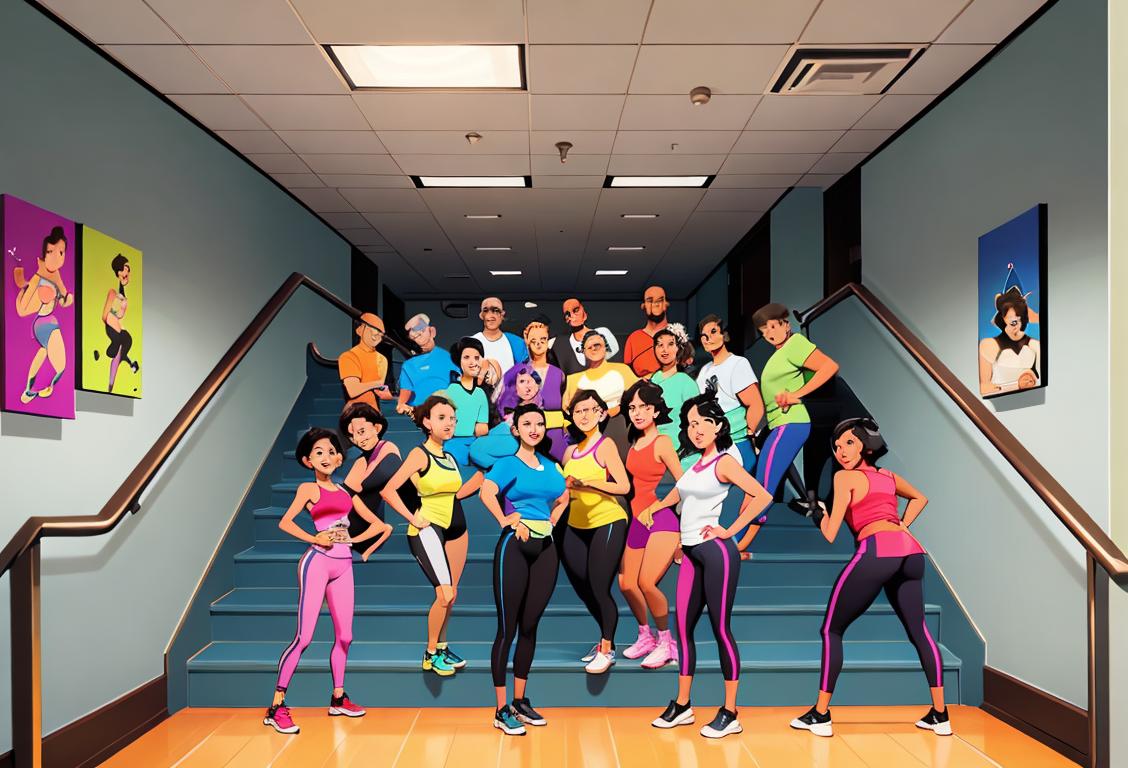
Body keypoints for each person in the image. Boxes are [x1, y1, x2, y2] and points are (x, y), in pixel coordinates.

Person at [790, 417, 950, 738]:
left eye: (849, 442)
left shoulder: (845, 478)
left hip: (877, 550)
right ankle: (940, 714)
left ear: (865, 442)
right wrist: (903, 524)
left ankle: (820, 715)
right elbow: (920, 498)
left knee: (831, 629)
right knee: (919, 631)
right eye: (836, 447)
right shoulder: (888, 476)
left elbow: (831, 533)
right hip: (911, 553)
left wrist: (816, 511)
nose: (841, 451)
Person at [644, 395, 772, 739]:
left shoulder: (725, 462)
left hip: (716, 552)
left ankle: (730, 712)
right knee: (683, 629)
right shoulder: (695, 465)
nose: (695, 429)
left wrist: (730, 530)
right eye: (690, 423)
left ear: (718, 426)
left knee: (720, 629)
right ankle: (683, 705)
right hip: (690, 553)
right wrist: (655, 508)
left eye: (702, 422)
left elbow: (763, 495)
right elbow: (680, 495)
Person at [264, 428, 392, 735]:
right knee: (304, 638)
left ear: (339, 457)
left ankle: (338, 697)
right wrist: (315, 537)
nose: (327, 456)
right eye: (319, 452)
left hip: (344, 564)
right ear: (308, 461)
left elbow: (380, 525)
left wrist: (359, 541)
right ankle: (276, 706)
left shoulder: (347, 493)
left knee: (345, 637)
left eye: (332, 451)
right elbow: (285, 521)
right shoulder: (308, 490)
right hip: (317, 563)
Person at [479, 403, 570, 736]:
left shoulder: (550, 466)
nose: (534, 427)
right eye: (527, 423)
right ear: (515, 429)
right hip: (514, 546)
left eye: (539, 423)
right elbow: (485, 492)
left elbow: (563, 498)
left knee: (530, 626)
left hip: (545, 547)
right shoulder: (507, 465)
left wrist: (551, 521)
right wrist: (505, 519)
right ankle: (501, 709)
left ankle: (519, 701)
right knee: (508, 627)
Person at [381, 395, 483, 677]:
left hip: (456, 526)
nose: (449, 423)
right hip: (429, 528)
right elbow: (389, 490)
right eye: (442, 418)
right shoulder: (419, 454)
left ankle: (442, 645)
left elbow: (451, 493)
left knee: (453, 595)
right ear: (426, 422)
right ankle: (430, 653)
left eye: (452, 418)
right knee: (444, 594)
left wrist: (476, 483)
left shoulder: (449, 456)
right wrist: (413, 517)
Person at [735, 303, 839, 550]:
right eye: (763, 331)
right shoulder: (780, 352)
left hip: (791, 423)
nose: (769, 333)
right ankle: (736, 540)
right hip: (780, 424)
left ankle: (739, 545)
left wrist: (797, 395)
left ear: (786, 324)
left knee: (762, 488)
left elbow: (829, 367)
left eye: (773, 326)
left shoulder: (797, 344)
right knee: (757, 485)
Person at [560, 389, 631, 675]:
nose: (584, 415)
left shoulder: (605, 445)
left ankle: (607, 647)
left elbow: (623, 486)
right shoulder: (569, 451)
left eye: (590, 409)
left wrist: (586, 483)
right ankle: (603, 634)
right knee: (582, 585)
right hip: (576, 525)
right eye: (579, 411)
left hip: (608, 519)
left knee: (600, 586)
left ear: (602, 413)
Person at [617, 380, 683, 670]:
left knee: (646, 582)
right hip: (638, 521)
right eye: (633, 407)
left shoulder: (663, 442)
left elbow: (685, 484)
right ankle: (646, 635)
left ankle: (667, 642)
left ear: (656, 411)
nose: (638, 412)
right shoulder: (634, 444)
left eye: (644, 407)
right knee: (626, 584)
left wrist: (656, 507)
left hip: (662, 521)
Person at [339, 402, 419, 545]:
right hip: (352, 527)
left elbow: (392, 491)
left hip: (365, 530)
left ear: (377, 428)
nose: (358, 440)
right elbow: (347, 494)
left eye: (361, 432)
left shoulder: (388, 450)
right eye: (352, 437)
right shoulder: (362, 459)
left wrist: (414, 519)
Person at [695, 315, 762, 471]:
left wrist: (749, 434)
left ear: (724, 335)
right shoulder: (705, 370)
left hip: (737, 441)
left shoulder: (737, 363)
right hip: (713, 443)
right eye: (704, 336)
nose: (708, 338)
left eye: (713, 332)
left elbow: (755, 403)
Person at [14, 226, 73, 403]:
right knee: (61, 365)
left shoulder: (56, 276)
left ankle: (28, 390)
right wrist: (36, 294)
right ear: (44, 255)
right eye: (51, 252)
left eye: (61, 252)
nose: (56, 257)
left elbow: (64, 299)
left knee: (43, 353)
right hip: (43, 324)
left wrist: (67, 299)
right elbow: (23, 309)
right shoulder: (38, 278)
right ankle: (46, 387)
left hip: (51, 322)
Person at [498, 320, 567, 460]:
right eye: (534, 340)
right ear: (527, 341)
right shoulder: (517, 372)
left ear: (548, 341)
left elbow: (564, 409)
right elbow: (504, 408)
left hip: (556, 442)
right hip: (526, 442)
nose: (539, 343)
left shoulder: (559, 374)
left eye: (543, 339)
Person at [563, 330, 638, 458]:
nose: (593, 349)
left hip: (619, 431)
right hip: (586, 438)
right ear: (584, 351)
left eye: (597, 345)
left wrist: (617, 409)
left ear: (605, 347)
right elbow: (566, 412)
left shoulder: (622, 370)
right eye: (589, 346)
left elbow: (639, 397)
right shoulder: (573, 379)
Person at [471, 364, 545, 472]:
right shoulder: (508, 411)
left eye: (530, 381)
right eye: (522, 381)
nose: (527, 387)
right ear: (514, 386)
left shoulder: (538, 411)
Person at [978, 286, 1041, 396]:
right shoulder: (988, 345)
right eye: (1010, 317)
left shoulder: (1035, 346)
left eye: (1018, 316)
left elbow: (1042, 379)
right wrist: (1017, 385)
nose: (1014, 321)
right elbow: (984, 387)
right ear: (1003, 318)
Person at [396, 313, 458, 416]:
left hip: (445, 413)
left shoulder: (449, 358)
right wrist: (401, 405)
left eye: (421, 331)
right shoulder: (408, 365)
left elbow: (460, 385)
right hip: (420, 415)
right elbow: (405, 393)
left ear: (432, 331)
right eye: (414, 336)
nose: (418, 336)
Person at [648, 324, 698, 449]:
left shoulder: (686, 382)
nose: (664, 350)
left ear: (678, 348)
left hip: (678, 448)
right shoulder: (650, 381)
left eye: (670, 344)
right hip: (651, 446)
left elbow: (696, 420)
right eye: (660, 345)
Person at [95, 254, 140, 392]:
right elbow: (104, 315)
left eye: (128, 270)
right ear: (118, 272)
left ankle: (111, 385)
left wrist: (122, 309)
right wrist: (112, 318)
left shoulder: (121, 294)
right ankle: (112, 360)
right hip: (112, 327)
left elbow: (120, 315)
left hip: (117, 327)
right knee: (119, 347)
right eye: (124, 269)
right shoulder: (113, 292)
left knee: (122, 349)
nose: (127, 273)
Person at [444, 337, 490, 465]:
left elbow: (482, 427)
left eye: (476, 358)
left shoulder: (480, 394)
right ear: (459, 361)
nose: (472, 362)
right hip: (453, 442)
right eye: (466, 357)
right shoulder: (451, 390)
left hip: (476, 442)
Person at [548, 297, 620, 376]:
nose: (572, 315)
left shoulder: (602, 333)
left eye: (576, 310)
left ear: (584, 313)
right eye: (567, 314)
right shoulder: (557, 342)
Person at [338, 312, 392, 409]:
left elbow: (380, 390)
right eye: (371, 328)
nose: (376, 334)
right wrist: (377, 384)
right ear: (360, 330)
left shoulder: (382, 359)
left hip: (375, 412)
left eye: (380, 332)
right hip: (355, 412)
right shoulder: (348, 356)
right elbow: (353, 390)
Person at [473, 297, 529, 389]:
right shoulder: (470, 342)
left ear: (502, 315)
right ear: (481, 315)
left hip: (509, 399)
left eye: (495, 310)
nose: (491, 315)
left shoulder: (515, 342)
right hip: (480, 398)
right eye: (486, 310)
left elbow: (526, 373)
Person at [623, 285, 669, 377]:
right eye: (650, 300)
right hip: (643, 388)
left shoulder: (678, 334)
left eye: (660, 300)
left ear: (666, 304)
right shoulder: (634, 338)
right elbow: (627, 373)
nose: (655, 304)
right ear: (643, 306)